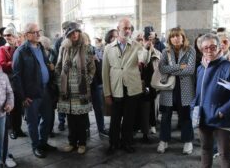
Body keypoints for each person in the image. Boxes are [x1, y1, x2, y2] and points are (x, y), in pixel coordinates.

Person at [192, 33, 230, 168]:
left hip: (222, 117)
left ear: (219, 48)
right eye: (205, 48)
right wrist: (193, 108)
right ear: (201, 50)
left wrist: (223, 111)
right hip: (203, 116)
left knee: (225, 154)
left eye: (212, 47)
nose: (209, 51)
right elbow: (198, 93)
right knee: (205, 149)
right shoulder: (200, 68)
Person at [102, 18, 148, 154]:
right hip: (116, 88)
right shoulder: (108, 48)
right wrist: (107, 93)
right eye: (125, 28)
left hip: (132, 88)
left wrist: (145, 49)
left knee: (129, 118)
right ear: (118, 28)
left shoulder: (136, 45)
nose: (127, 31)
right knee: (115, 119)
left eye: (129, 28)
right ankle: (113, 143)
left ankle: (127, 142)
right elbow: (104, 73)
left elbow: (143, 57)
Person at [12, 23, 56, 158]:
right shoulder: (20, 52)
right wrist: (23, 97)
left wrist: (50, 66)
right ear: (26, 35)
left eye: (39, 31)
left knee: (47, 119)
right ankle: (36, 146)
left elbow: (44, 63)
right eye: (34, 32)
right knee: (32, 122)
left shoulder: (40, 47)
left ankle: (43, 142)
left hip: (45, 90)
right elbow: (16, 77)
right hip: (31, 94)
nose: (38, 34)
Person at [55, 22, 95, 155]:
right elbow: (58, 66)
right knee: (70, 119)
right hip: (67, 90)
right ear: (68, 34)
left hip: (81, 90)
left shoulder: (87, 48)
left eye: (77, 32)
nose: (75, 34)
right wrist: (59, 81)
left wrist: (87, 81)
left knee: (82, 119)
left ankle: (82, 143)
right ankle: (72, 142)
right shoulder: (63, 49)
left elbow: (92, 68)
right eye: (72, 32)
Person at [156, 27, 196, 154]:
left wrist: (171, 68)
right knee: (166, 115)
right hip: (168, 87)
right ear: (169, 39)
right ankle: (164, 140)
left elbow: (190, 70)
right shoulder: (165, 51)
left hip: (184, 87)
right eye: (173, 36)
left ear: (183, 37)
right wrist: (179, 66)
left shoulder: (190, 50)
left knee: (185, 115)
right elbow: (162, 68)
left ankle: (188, 141)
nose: (176, 38)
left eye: (178, 36)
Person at [54, 21, 71, 131]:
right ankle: (61, 121)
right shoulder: (59, 42)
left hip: (73, 77)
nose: (66, 31)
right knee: (62, 100)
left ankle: (70, 121)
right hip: (62, 75)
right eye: (65, 29)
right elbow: (56, 58)